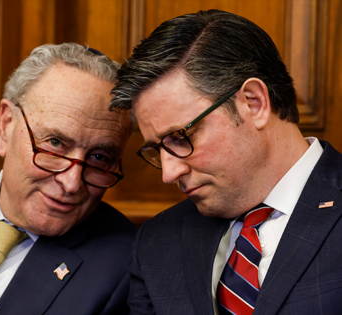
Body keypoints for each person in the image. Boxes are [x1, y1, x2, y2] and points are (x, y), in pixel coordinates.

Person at [109, 9, 342, 315]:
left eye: (181, 137)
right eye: (156, 149)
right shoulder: (157, 244)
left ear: (253, 103)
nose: (169, 173)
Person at [0, 43, 136, 315]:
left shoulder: (126, 271)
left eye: (99, 158)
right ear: (5, 126)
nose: (72, 184)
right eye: (55, 143)